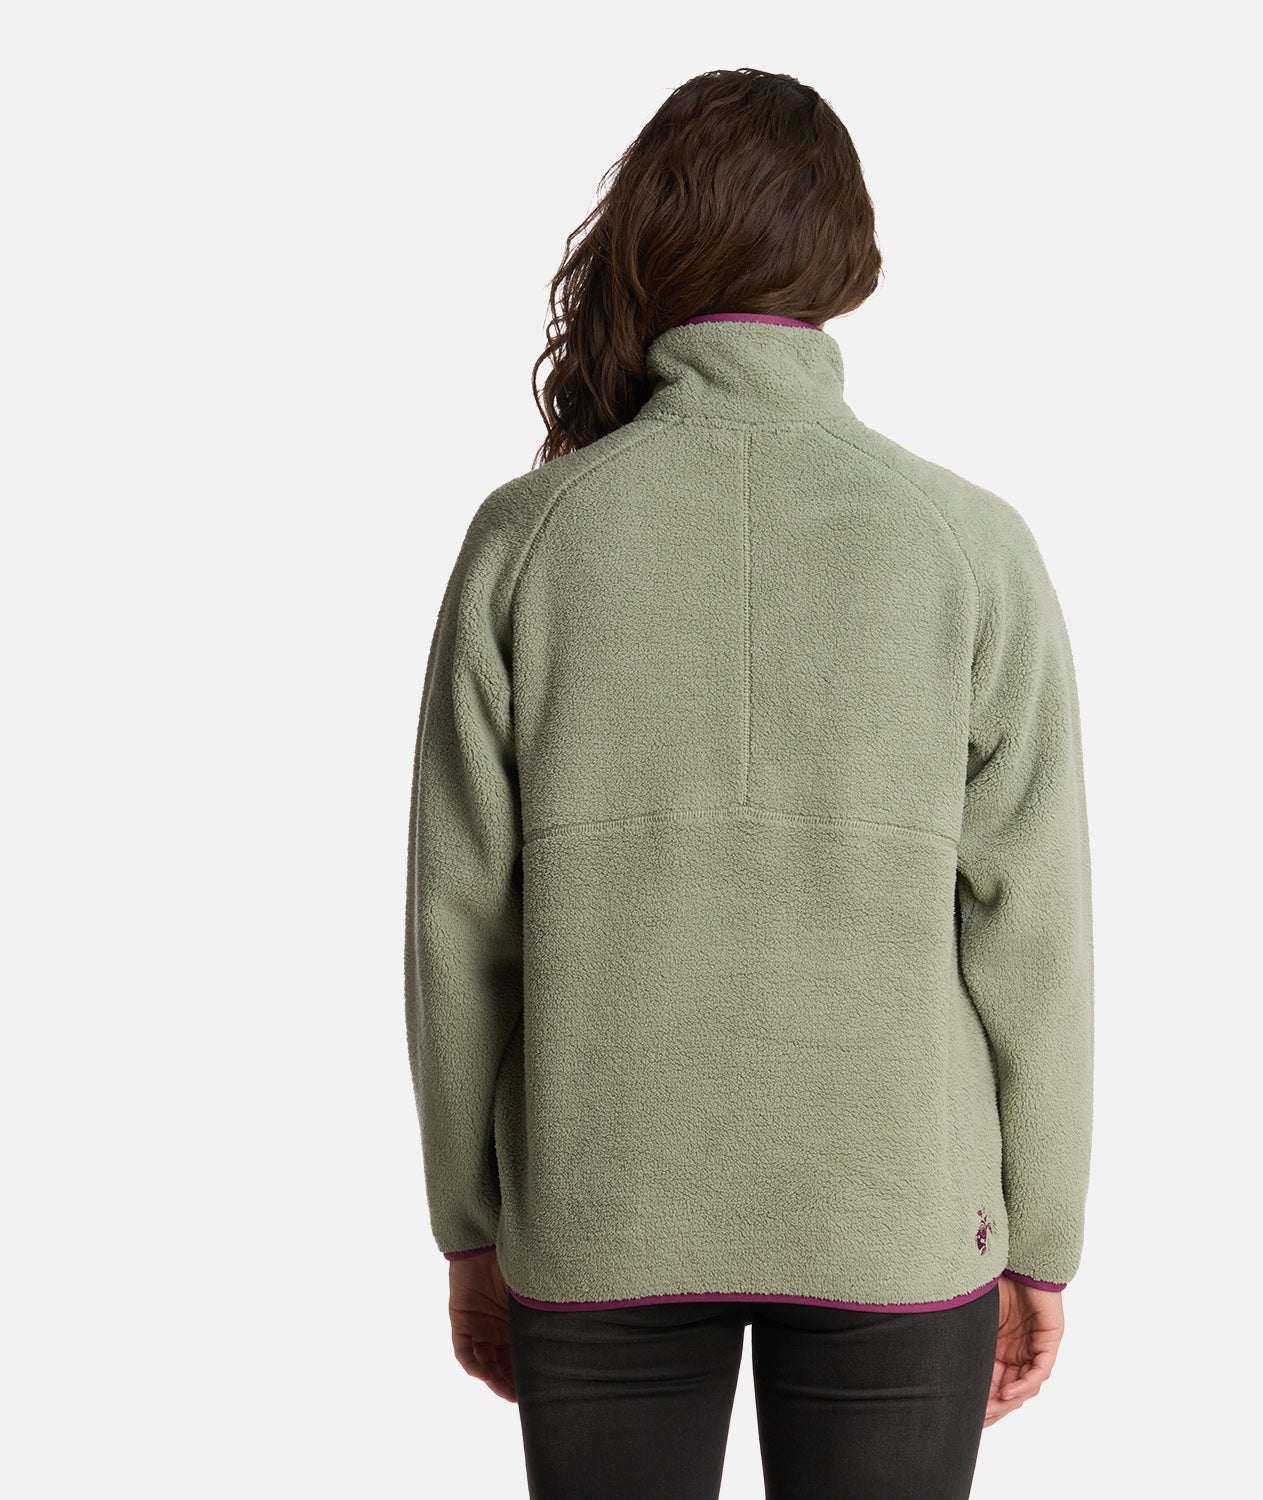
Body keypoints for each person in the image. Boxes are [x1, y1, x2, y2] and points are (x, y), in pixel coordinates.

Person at [404, 66, 1094, 1500]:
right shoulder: (970, 546)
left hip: (601, 1211)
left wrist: (472, 1222)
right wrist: (1041, 1238)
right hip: (896, 1214)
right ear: (847, 259)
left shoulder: (527, 539)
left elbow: (456, 926)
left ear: (647, 242)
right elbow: (1035, 932)